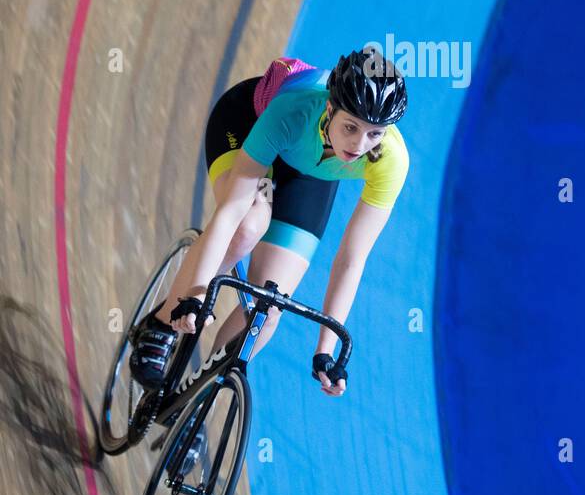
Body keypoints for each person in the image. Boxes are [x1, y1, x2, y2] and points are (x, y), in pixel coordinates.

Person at [129, 49, 408, 402]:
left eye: (374, 134)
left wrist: (326, 348)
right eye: (351, 127)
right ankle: (160, 324)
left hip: (311, 169)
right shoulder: (294, 110)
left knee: (269, 308)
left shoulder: (390, 160)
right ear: (329, 109)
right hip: (249, 124)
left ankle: (198, 402)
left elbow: (352, 258)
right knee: (248, 224)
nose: (359, 144)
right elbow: (230, 212)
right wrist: (196, 295)